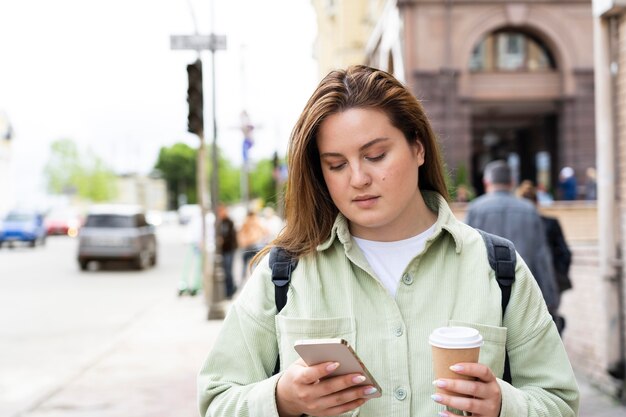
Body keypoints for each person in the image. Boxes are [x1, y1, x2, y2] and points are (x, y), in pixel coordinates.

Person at [198, 65, 578, 417]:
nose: (358, 178)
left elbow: (559, 401)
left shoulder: (498, 267)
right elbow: (216, 399)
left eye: (375, 155)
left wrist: (502, 405)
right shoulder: (284, 272)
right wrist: (281, 398)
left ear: (417, 147)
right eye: (337, 164)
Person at [465, 162, 560, 316]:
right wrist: (550, 298)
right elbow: (541, 257)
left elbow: (465, 253)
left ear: (487, 182)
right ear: (512, 183)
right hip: (523, 294)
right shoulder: (529, 210)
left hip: (485, 294)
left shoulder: (476, 209)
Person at [516, 180, 573, 333]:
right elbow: (564, 253)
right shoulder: (550, 223)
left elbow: (564, 254)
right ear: (537, 201)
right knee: (549, 320)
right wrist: (558, 273)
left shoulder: (520, 226)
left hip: (530, 280)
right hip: (550, 280)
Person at [237, 209, 269, 281]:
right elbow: (242, 241)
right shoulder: (245, 225)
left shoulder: (255, 224)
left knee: (252, 266)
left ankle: (250, 279)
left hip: (253, 248)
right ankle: (248, 280)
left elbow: (265, 232)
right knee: (248, 267)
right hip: (248, 248)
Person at [217, 204, 238, 299]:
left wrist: (223, 240)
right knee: (224, 270)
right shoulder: (219, 223)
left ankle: (230, 290)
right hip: (222, 250)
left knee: (228, 270)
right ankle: (227, 290)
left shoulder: (229, 222)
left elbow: (232, 237)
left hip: (229, 249)